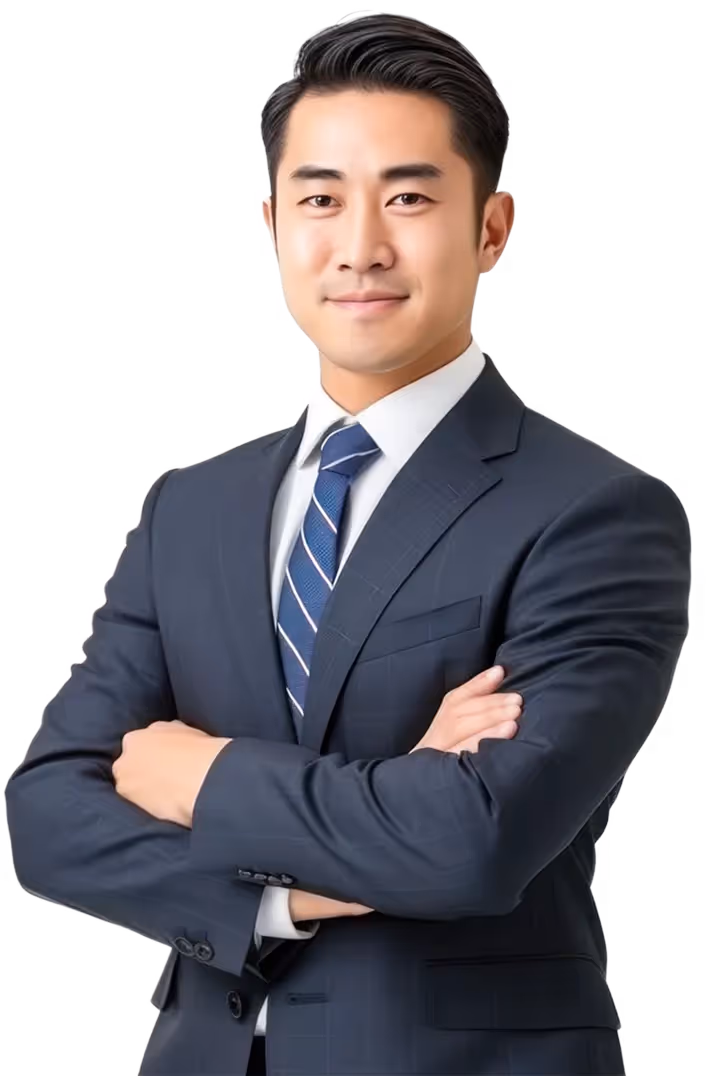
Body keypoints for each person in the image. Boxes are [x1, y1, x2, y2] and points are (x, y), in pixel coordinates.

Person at [5, 11, 691, 1076]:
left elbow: (471, 843)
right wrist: (306, 879)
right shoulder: (191, 506)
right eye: (320, 198)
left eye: (410, 198)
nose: (360, 244)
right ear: (273, 221)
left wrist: (197, 770)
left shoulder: (598, 513)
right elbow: (48, 815)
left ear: (494, 225)